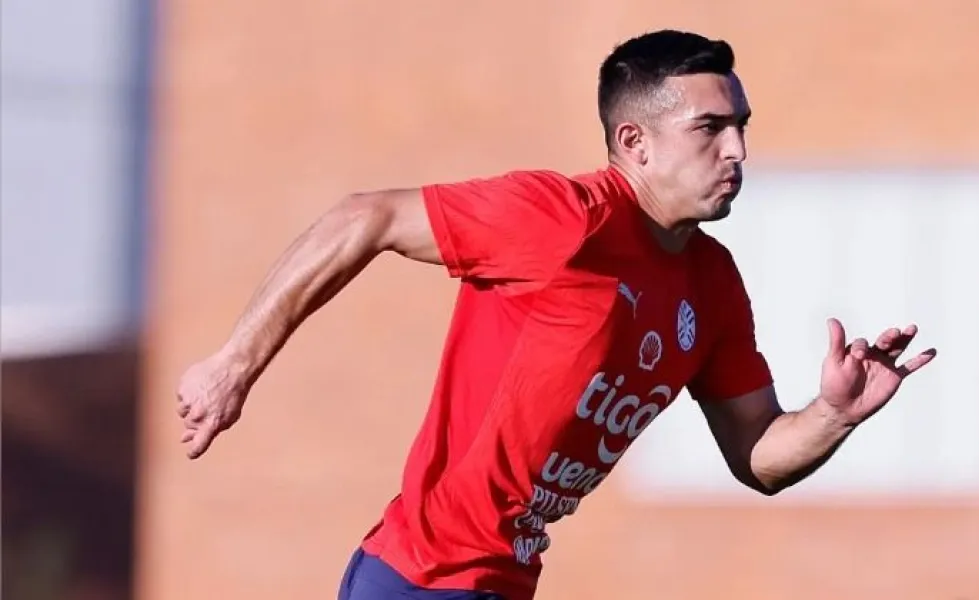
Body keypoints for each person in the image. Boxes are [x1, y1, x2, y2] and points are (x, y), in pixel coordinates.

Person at [175, 29, 937, 600]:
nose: (738, 148)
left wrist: (836, 414)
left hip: (507, 581)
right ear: (633, 143)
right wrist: (230, 367)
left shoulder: (713, 283)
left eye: (742, 125)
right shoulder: (561, 218)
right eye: (712, 128)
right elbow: (360, 218)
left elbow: (758, 454)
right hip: (420, 579)